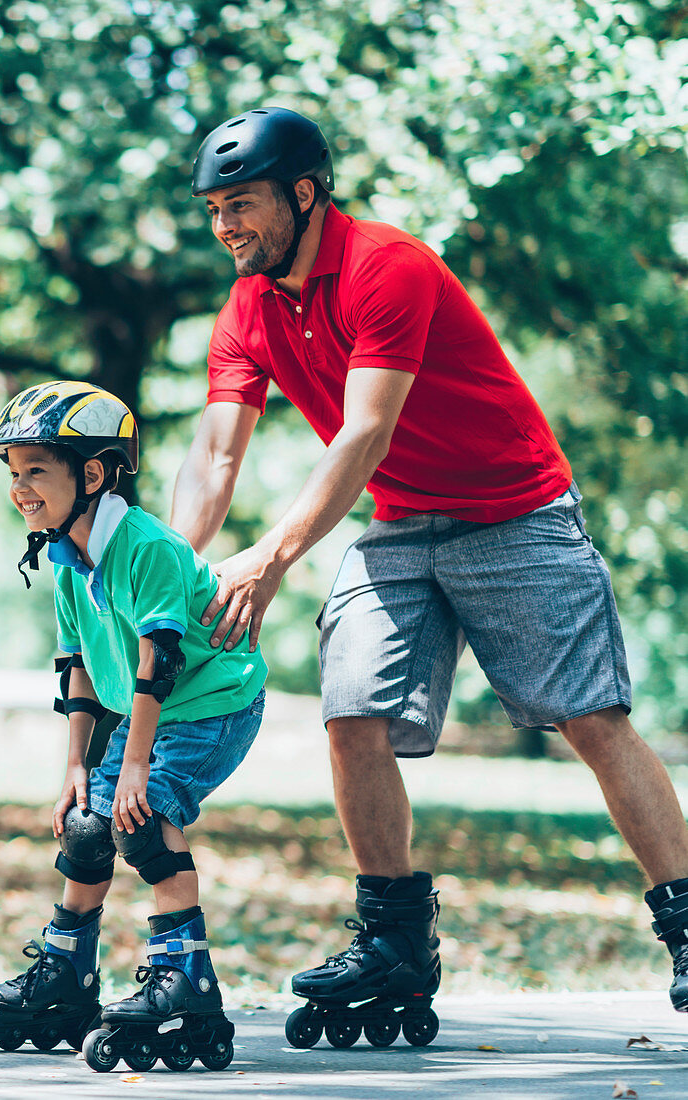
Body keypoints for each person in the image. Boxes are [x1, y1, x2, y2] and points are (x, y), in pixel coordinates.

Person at [172, 105, 688, 1042]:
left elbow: (366, 430)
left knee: (593, 722)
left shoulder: (386, 267)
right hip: (403, 523)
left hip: (514, 511)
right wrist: (169, 572)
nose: (225, 228)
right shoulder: (249, 306)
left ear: (303, 191)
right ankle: (395, 943)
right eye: (213, 210)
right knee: (351, 713)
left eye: (241, 205)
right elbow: (214, 457)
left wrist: (274, 554)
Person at [0, 380, 266, 1073]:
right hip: (148, 711)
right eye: (14, 474)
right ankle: (67, 976)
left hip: (213, 704)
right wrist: (76, 768)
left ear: (92, 473)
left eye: (36, 469)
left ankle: (186, 978)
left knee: (141, 817)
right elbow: (80, 670)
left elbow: (160, 661)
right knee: (88, 825)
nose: (21, 489)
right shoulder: (67, 554)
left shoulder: (145, 546)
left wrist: (132, 768)